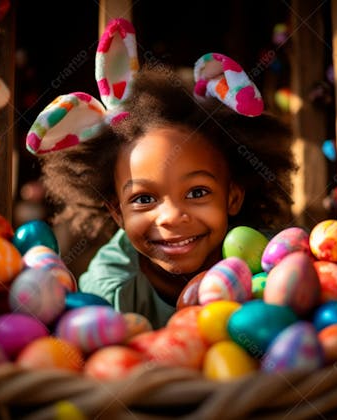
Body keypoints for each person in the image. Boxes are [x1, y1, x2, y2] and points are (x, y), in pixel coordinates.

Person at [26, 19, 297, 329]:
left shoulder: (269, 269)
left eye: (197, 192)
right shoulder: (110, 290)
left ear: (233, 197)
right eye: (143, 198)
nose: (171, 216)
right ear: (117, 212)